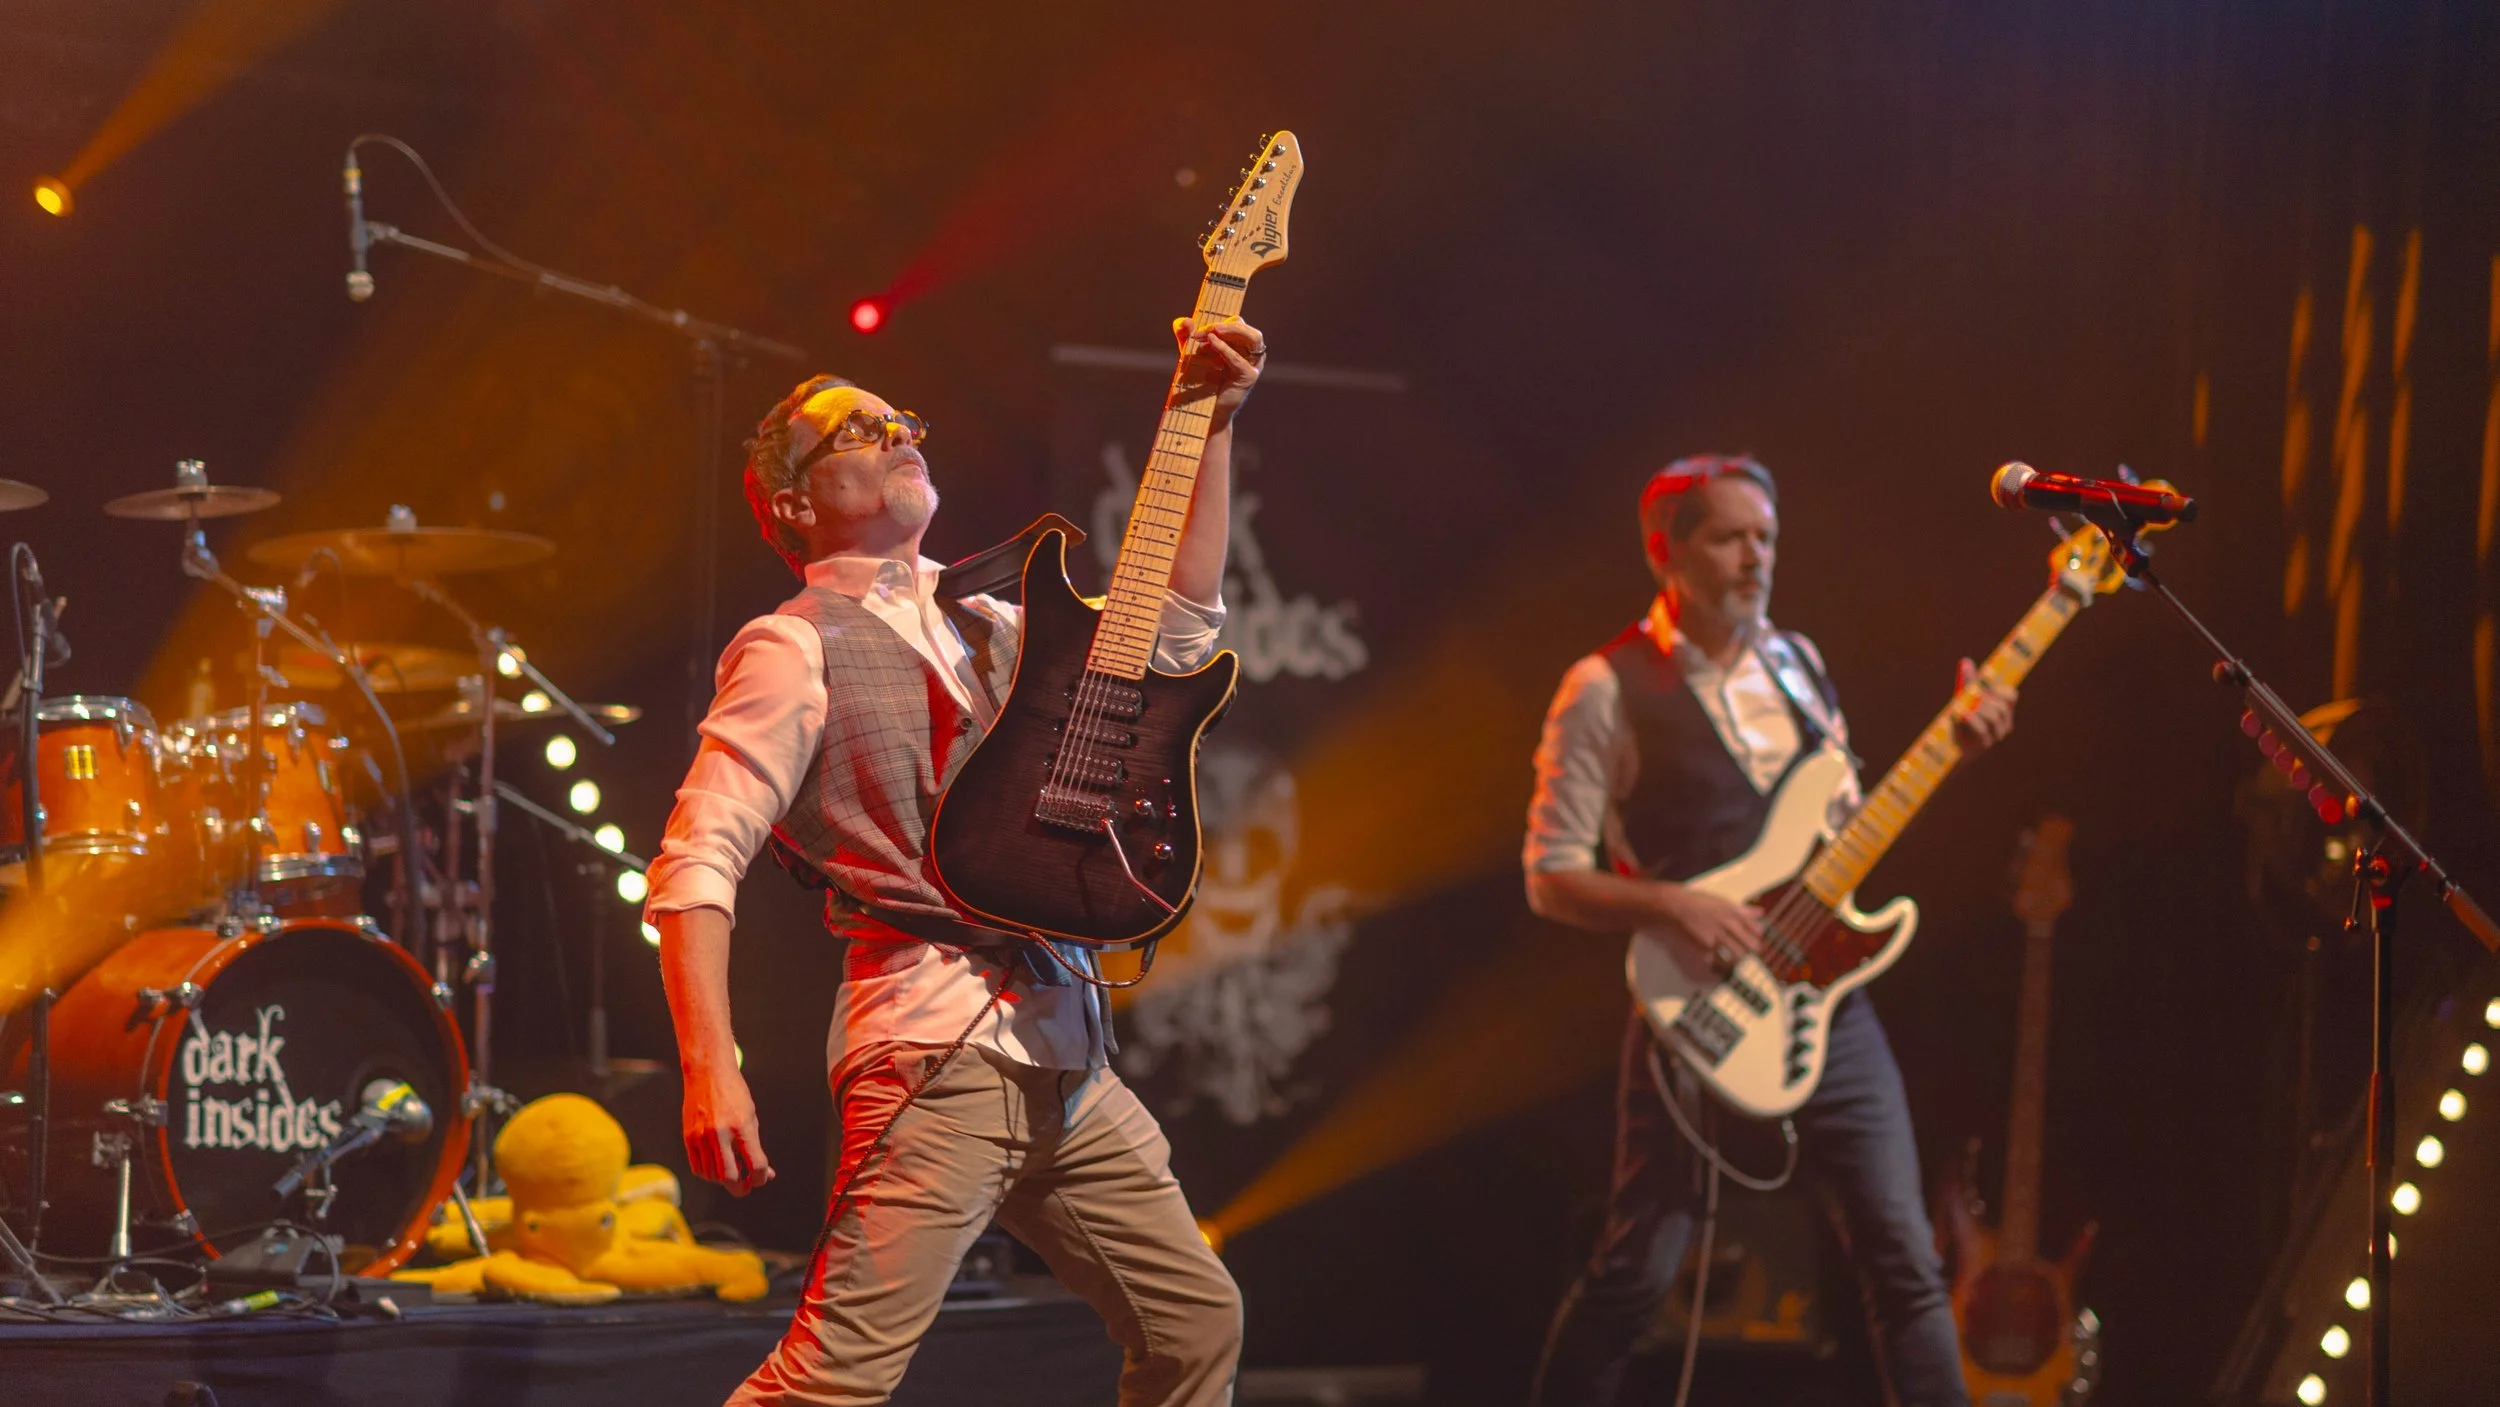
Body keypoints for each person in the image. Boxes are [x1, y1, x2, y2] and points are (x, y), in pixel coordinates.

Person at [643, 314, 1268, 1405]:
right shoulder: (789, 645)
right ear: (795, 504)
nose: (896, 436)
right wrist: (711, 1064)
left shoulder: (996, 619)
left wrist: (1208, 419)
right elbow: (697, 859)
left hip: (1066, 1052)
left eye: (901, 421)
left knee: (1195, 1323)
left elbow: (1175, 636)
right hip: (933, 1052)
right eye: (859, 432)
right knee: (830, 1383)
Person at [1523, 455, 2016, 1407]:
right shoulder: (1603, 687)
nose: (1759, 555)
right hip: (1695, 1007)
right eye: (1732, 536)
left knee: (1906, 1262)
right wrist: (1676, 904)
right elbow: (1550, 876)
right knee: (1634, 1275)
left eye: (1768, 536)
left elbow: (1836, 832)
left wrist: (1953, 745)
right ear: (1667, 551)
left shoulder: (1798, 662)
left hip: (1828, 1001)